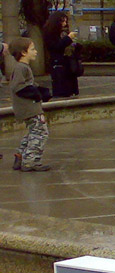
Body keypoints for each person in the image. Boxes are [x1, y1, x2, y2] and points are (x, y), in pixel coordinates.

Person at [7, 38, 51, 172]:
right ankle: (31, 161)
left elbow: (28, 84)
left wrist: (41, 90)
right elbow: (19, 87)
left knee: (33, 131)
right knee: (41, 133)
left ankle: (21, 155)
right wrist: (36, 93)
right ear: (23, 53)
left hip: (28, 107)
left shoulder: (23, 68)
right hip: (29, 108)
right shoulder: (21, 68)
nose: (36, 51)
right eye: (32, 49)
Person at [44, 11, 81, 98]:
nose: (64, 24)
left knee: (70, 86)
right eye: (62, 21)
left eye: (65, 21)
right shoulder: (50, 33)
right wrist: (68, 38)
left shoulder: (63, 32)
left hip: (68, 62)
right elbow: (56, 46)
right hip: (58, 63)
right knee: (61, 86)